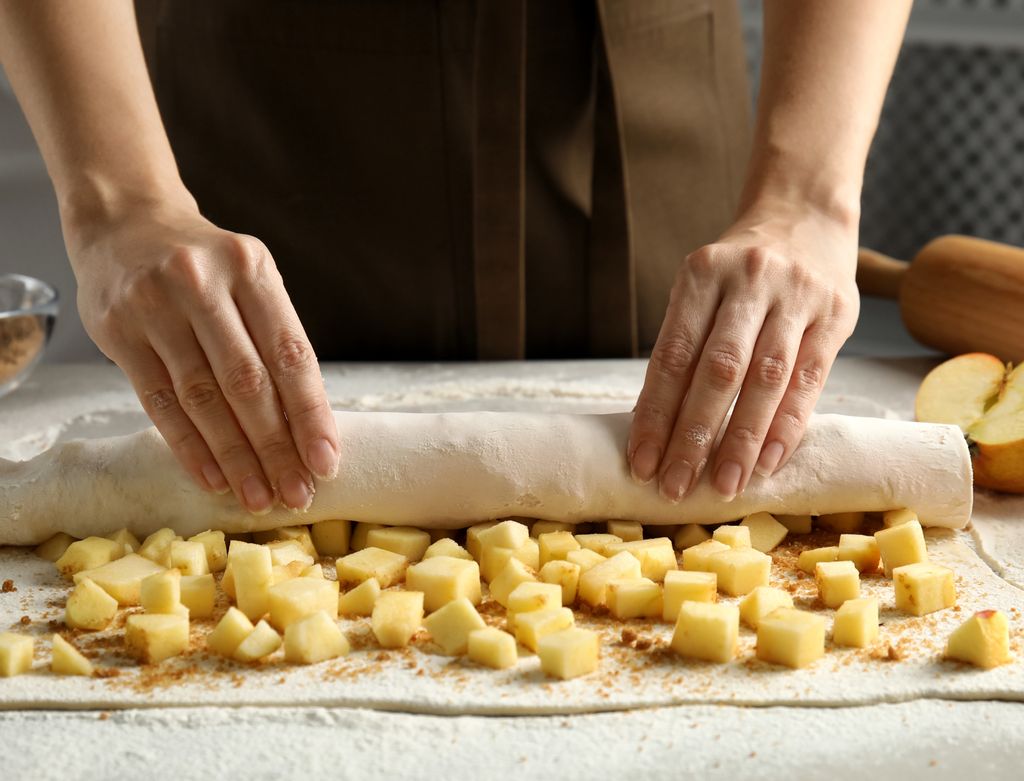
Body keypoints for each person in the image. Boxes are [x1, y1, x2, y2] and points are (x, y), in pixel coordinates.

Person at [0, 1, 911, 514]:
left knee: (705, 428)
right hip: (263, 128)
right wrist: (120, 202)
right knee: (238, 441)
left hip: (651, 129)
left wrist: (806, 195)